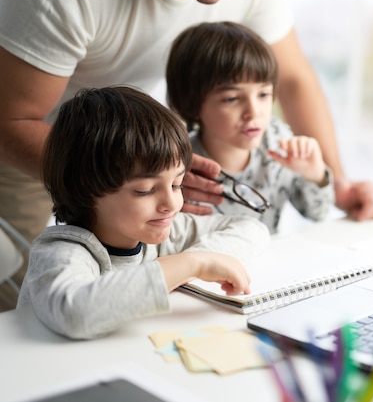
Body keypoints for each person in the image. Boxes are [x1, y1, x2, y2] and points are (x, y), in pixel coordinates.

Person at [0, 0, 373, 310]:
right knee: (21, 300)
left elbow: (294, 80)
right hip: (36, 139)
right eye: (232, 98)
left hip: (129, 139)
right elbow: (9, 121)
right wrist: (129, 174)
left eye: (177, 184)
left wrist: (338, 182)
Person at [17, 86, 270, 339]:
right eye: (145, 190)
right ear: (86, 187)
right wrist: (190, 264)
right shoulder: (60, 252)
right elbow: (74, 314)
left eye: (177, 184)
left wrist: (198, 261)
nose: (171, 203)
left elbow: (251, 229)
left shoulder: (161, 230)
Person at [166, 21, 334, 233]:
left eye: (263, 94)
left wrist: (315, 174)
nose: (254, 112)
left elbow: (317, 213)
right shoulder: (177, 166)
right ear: (192, 104)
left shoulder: (277, 142)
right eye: (232, 98)